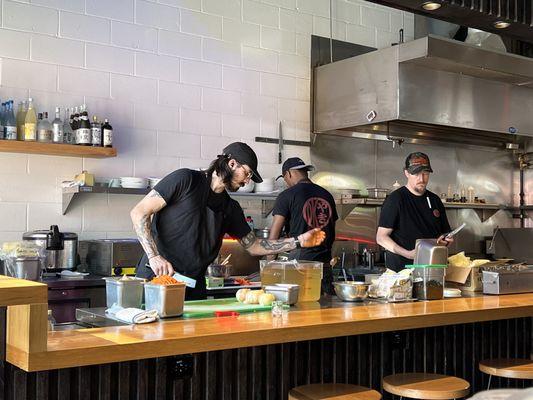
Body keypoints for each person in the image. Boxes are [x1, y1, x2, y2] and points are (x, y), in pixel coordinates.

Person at [131, 142, 325, 299]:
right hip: (157, 280)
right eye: (247, 173)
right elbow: (139, 213)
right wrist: (154, 256)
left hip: (192, 287)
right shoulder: (185, 180)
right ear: (232, 163)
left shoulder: (230, 208)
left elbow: (254, 246)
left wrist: (298, 241)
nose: (247, 181)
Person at [268, 157, 338, 293]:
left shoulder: (286, 196)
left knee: (299, 309)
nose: (286, 183)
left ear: (288, 173)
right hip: (324, 265)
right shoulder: (327, 195)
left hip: (299, 265)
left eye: (284, 178)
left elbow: (273, 239)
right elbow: (332, 230)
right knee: (325, 309)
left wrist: (269, 267)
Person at [376, 152, 453, 271]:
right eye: (416, 174)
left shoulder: (435, 200)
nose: (421, 179)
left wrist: (446, 240)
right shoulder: (395, 199)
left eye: (425, 173)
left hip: (432, 270)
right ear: (406, 173)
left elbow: (444, 235)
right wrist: (407, 253)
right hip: (401, 273)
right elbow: (381, 237)